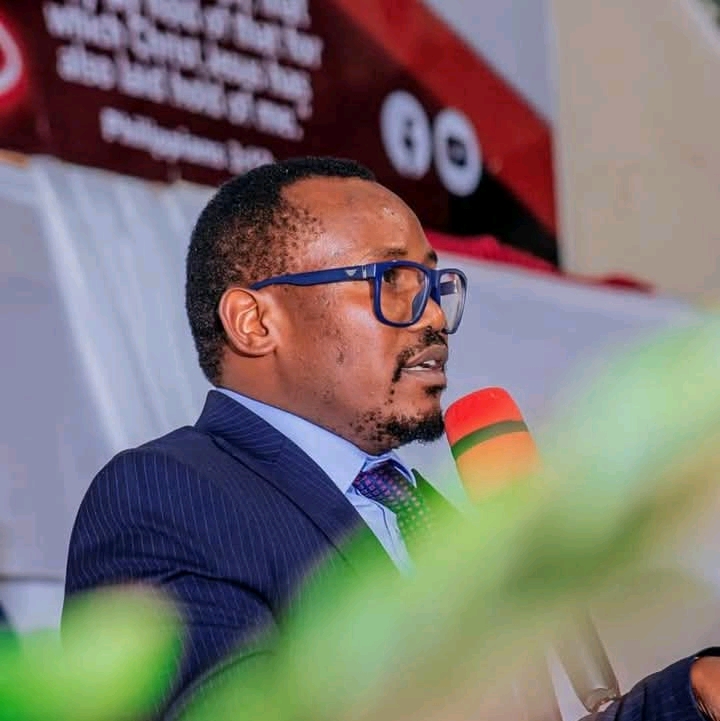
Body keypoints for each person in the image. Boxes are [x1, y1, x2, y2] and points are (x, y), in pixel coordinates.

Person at [64, 156, 720, 720]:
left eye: (434, 284)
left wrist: (687, 695)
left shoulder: (428, 513)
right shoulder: (166, 495)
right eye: (391, 282)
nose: (432, 315)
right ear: (255, 322)